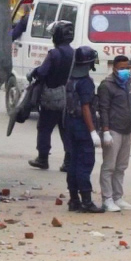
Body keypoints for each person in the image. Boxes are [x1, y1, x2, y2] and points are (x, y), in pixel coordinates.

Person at [27, 20, 75, 171]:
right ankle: (68, 162)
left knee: (44, 128)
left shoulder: (54, 54)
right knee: (65, 129)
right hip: (69, 97)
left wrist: (34, 72)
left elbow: (42, 72)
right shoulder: (74, 53)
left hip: (52, 96)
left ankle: (43, 158)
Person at [95, 55, 131, 212]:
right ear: (114, 68)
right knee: (109, 166)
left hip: (126, 128)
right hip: (113, 129)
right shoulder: (106, 85)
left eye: (127, 68)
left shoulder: (126, 83)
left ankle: (118, 197)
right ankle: (107, 198)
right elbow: (103, 109)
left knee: (121, 166)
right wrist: (105, 131)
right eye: (122, 68)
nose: (125, 71)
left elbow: (129, 105)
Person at [63, 47, 100, 213]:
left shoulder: (69, 79)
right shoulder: (86, 82)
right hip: (82, 126)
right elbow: (86, 107)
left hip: (69, 124)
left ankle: (73, 199)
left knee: (73, 163)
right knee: (85, 163)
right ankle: (86, 201)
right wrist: (92, 131)